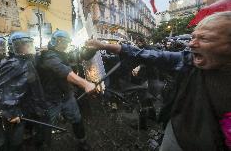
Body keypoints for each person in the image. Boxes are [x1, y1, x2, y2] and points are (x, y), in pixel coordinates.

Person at [85, 11, 231, 151]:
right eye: (193, 37)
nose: (192, 44)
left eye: (204, 38)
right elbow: (148, 55)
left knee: (148, 97)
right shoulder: (188, 59)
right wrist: (103, 46)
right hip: (176, 134)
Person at [35, 30, 96, 151]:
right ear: (56, 41)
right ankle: (41, 145)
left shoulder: (63, 54)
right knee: (46, 125)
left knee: (77, 119)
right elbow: (63, 70)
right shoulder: (48, 55)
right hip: (50, 99)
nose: (65, 45)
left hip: (67, 96)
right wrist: (85, 83)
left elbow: (80, 55)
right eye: (63, 42)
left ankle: (82, 142)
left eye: (66, 43)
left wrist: (92, 48)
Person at [0, 32, 47, 150]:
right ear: (14, 47)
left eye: (28, 44)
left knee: (29, 137)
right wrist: (11, 112)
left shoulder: (26, 61)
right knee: (16, 142)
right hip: (18, 112)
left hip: (28, 109)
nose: (27, 47)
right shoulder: (13, 64)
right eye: (22, 45)